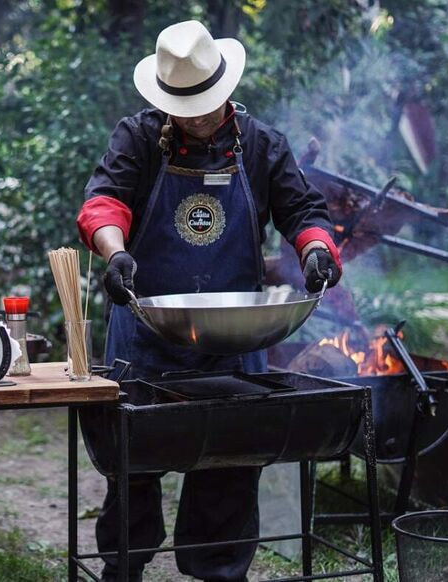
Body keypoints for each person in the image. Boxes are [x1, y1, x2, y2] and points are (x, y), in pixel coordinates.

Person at [76, 20, 342, 582]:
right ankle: (123, 568)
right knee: (133, 470)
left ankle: (220, 571)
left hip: (233, 340)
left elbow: (305, 212)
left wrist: (316, 250)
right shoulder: (139, 137)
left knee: (228, 467)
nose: (194, 117)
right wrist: (115, 253)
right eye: (183, 106)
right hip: (148, 333)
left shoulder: (263, 144)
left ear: (224, 90)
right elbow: (103, 203)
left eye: (203, 105)